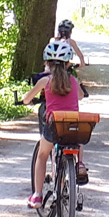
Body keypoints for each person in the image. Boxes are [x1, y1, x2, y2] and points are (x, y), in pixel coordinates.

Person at [23, 41, 87, 208]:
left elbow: (27, 99)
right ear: (68, 63)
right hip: (73, 125)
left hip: (54, 126)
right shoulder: (73, 81)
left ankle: (37, 195)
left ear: (47, 63)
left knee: (42, 155)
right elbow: (80, 96)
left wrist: (25, 101)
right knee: (76, 138)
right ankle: (79, 163)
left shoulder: (45, 81)